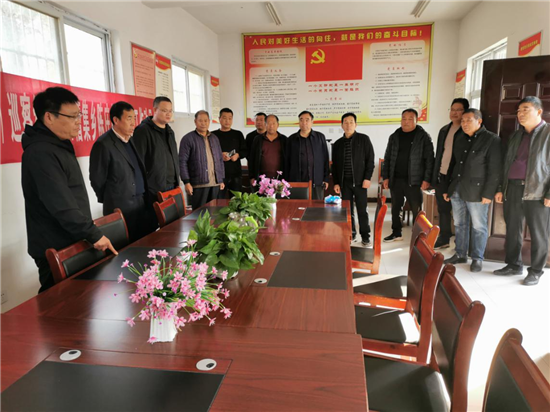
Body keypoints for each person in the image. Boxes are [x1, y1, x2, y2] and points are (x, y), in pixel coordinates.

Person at [21, 87, 117, 293]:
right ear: (49, 117)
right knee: (60, 303)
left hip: (72, 239)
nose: (78, 121)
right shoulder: (40, 152)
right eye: (72, 116)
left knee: (82, 300)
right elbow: (61, 204)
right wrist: (93, 234)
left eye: (79, 115)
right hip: (55, 246)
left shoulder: (58, 145)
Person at [494, 96, 550, 286]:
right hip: (513, 188)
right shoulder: (516, 136)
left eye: (525, 109)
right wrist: (501, 188)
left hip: (538, 191)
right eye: (518, 111)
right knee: (512, 229)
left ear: (539, 111)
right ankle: (513, 264)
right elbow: (506, 163)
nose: (520, 114)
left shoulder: (548, 133)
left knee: (538, 233)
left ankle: (536, 271)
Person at [442, 109, 501, 272]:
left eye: (468, 120)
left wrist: (488, 193)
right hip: (457, 188)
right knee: (459, 223)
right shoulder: (459, 138)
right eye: (462, 121)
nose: (464, 124)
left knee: (478, 226)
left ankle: (477, 258)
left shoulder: (491, 139)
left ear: (479, 121)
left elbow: (495, 169)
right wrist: (447, 188)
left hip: (478, 191)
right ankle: (460, 253)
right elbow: (453, 164)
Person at [89, 102, 155, 242]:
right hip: (121, 207)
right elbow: (97, 179)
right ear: (116, 120)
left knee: (145, 243)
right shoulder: (103, 144)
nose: (133, 123)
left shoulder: (130, 139)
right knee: (127, 246)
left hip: (140, 202)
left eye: (134, 118)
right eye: (129, 118)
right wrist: (112, 198)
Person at [382, 109, 434, 242]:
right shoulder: (394, 136)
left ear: (417, 120)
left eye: (410, 119)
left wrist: (427, 179)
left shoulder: (423, 137)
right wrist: (386, 177)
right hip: (396, 178)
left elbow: (429, 160)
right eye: (404, 118)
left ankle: (419, 235)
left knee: (417, 209)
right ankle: (396, 232)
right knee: (396, 208)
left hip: (415, 180)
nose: (406, 121)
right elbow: (388, 158)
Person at [431, 98, 469, 249]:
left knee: (460, 212)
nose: (454, 113)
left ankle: (461, 244)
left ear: (465, 112)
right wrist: (434, 177)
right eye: (452, 109)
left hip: (458, 177)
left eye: (459, 110)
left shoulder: (466, 131)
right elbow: (439, 154)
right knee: (443, 209)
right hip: (442, 174)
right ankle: (444, 237)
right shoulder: (444, 130)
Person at [132, 96, 180, 217]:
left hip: (172, 185)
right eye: (164, 110)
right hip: (154, 188)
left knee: (172, 221)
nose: (168, 114)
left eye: (170, 111)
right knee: (155, 221)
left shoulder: (170, 131)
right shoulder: (143, 131)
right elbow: (138, 163)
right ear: (154, 110)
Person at [332, 113, 375, 246]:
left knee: (362, 210)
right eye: (345, 122)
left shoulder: (364, 139)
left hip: (360, 182)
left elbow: (370, 160)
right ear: (341, 125)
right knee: (347, 211)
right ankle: (351, 233)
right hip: (345, 183)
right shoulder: (337, 144)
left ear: (356, 125)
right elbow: (335, 165)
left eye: (351, 122)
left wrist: (367, 178)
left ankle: (365, 235)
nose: (348, 125)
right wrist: (336, 182)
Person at [179, 110, 225, 210]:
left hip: (215, 183)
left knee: (214, 212)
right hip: (198, 185)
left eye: (205, 120)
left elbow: (220, 160)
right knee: (199, 213)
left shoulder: (214, 138)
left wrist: (221, 179)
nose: (203, 123)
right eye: (200, 121)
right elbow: (182, 162)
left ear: (209, 121)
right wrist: (186, 182)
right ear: (195, 121)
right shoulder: (188, 139)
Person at [285, 110, 329, 200]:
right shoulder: (291, 139)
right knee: (298, 206)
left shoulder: (320, 137)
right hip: (297, 182)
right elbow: (287, 161)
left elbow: (325, 158)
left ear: (312, 122)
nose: (304, 122)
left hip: (317, 182)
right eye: (301, 120)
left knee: (316, 206)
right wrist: (286, 181)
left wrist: (326, 178)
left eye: (307, 120)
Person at [212, 108, 246, 198]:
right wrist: (220, 155)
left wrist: (238, 155)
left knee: (237, 201)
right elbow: (209, 153)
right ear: (219, 119)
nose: (227, 121)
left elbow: (245, 151)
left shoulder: (238, 134)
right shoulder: (213, 135)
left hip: (235, 174)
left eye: (230, 118)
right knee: (218, 200)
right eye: (224, 118)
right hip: (218, 175)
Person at [248, 114, 287, 185]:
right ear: (265, 125)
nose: (271, 126)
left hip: (280, 180)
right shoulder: (258, 139)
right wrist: (252, 176)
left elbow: (288, 159)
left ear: (278, 125)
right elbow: (252, 158)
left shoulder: (284, 140)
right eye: (268, 123)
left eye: (273, 123)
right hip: (261, 180)